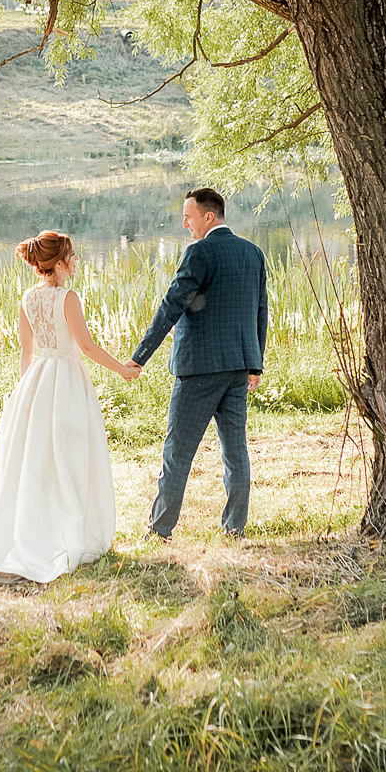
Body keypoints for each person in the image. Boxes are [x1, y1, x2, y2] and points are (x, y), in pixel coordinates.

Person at [0, 230, 143, 583]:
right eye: (71, 257)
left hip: (38, 380)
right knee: (69, 454)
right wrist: (123, 370)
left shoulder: (27, 298)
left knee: (38, 459)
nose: (75, 262)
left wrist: (24, 392)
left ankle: (43, 526)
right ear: (57, 263)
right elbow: (86, 347)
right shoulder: (68, 298)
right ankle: (65, 533)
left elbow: (27, 352)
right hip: (67, 382)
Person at [130, 187, 268, 539]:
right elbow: (260, 311)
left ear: (209, 217)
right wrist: (255, 364)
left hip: (199, 370)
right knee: (235, 452)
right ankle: (234, 528)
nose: (184, 223)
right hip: (238, 366)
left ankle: (160, 529)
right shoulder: (253, 253)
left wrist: (140, 356)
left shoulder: (200, 252)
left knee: (178, 452)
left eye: (189, 216)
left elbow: (172, 304)